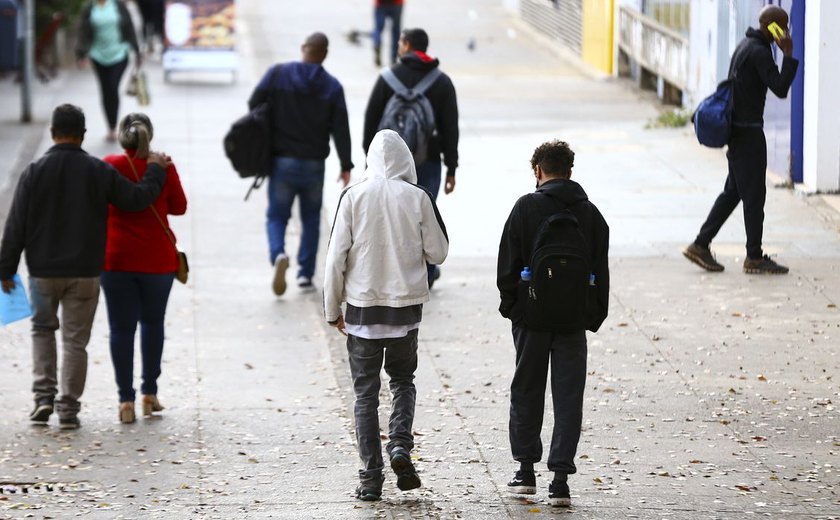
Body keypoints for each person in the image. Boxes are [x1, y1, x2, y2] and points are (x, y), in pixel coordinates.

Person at [0, 104, 169, 430]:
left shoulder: (34, 171)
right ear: (83, 135)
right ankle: (68, 409)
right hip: (85, 273)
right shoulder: (97, 170)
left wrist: (5, 269)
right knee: (75, 342)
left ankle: (43, 398)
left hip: (43, 273)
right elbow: (135, 200)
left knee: (42, 331)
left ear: (52, 133)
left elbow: (15, 225)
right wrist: (155, 170)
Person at [324, 130, 448, 501]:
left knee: (365, 396)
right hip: (405, 313)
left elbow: (335, 259)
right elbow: (438, 252)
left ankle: (370, 478)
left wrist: (333, 309)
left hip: (362, 312)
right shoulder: (418, 197)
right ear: (406, 161)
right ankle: (399, 446)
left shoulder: (353, 197)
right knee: (403, 381)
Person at [496, 140, 609, 507]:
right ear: (570, 172)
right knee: (568, 396)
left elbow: (506, 269)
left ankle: (525, 471)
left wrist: (516, 311)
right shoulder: (591, 215)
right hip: (573, 321)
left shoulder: (525, 208)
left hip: (532, 320)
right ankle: (559, 480)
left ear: (538, 172)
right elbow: (601, 272)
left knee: (527, 390)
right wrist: (591, 317)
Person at [684, 5, 798, 275]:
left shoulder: (746, 45)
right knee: (754, 196)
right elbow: (780, 88)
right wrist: (789, 55)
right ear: (773, 27)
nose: (786, 31)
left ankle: (700, 244)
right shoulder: (759, 52)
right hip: (748, 134)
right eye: (783, 25)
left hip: (739, 132)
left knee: (734, 192)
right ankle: (754, 257)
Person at [248, 32, 353, 295]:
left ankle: (279, 254)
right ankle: (305, 274)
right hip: (314, 164)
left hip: (282, 161)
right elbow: (341, 128)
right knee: (310, 219)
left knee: (277, 215)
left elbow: (254, 104)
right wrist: (346, 164)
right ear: (324, 54)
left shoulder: (278, 74)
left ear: (303, 48)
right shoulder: (332, 86)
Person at [101, 113, 187, 424]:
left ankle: (126, 401)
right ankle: (149, 393)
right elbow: (179, 207)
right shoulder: (163, 165)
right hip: (157, 262)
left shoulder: (110, 164)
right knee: (153, 323)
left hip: (116, 260)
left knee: (120, 329)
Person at [363, 27, 458, 288]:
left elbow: (371, 121)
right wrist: (451, 167)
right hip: (427, 162)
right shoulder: (442, 82)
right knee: (424, 218)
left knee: (390, 219)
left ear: (405, 45)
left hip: (387, 166)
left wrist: (368, 161)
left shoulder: (387, 78)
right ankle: (425, 275)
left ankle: (394, 275)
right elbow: (450, 128)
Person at [76, 0, 141, 142]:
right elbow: (83, 32)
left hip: (120, 53)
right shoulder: (89, 7)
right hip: (98, 54)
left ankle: (114, 125)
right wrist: (81, 54)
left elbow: (129, 27)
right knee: (105, 90)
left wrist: (137, 51)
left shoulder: (118, 5)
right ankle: (110, 127)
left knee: (113, 87)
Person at [372, 0, 404, 66]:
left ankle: (377, 43)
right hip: (397, 4)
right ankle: (394, 57)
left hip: (380, 4)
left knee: (378, 29)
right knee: (395, 30)